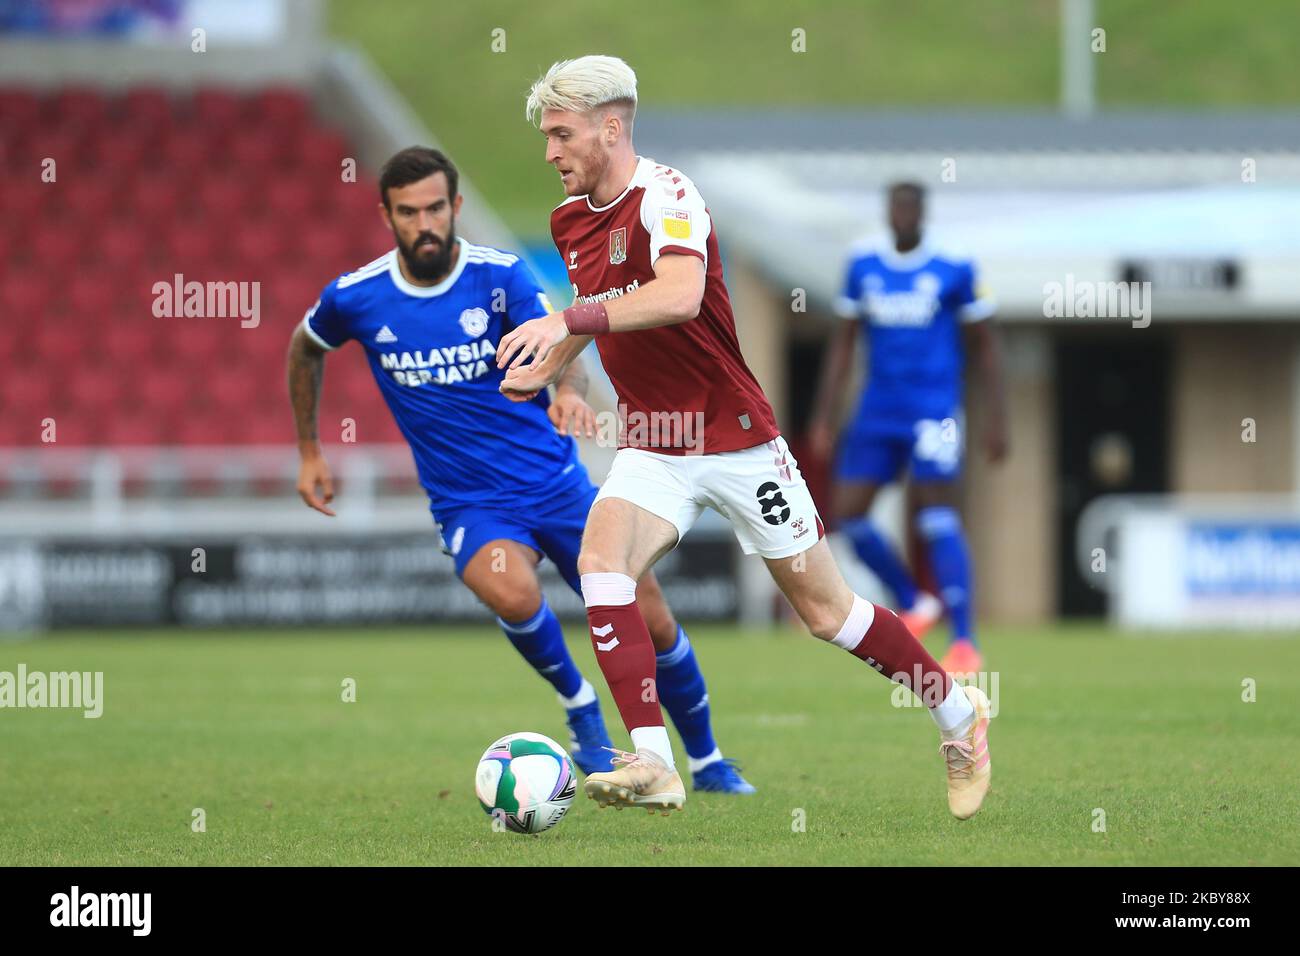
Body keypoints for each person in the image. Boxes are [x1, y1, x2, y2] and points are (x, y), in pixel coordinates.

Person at [498, 56, 993, 820]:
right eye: (547, 138)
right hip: (655, 442)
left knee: (830, 615)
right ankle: (654, 764)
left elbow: (678, 294)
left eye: (561, 135)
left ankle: (957, 715)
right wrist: (552, 365)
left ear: (611, 126)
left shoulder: (668, 195)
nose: (550, 152)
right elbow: (599, 308)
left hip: (735, 439)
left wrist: (565, 322)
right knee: (601, 565)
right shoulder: (569, 221)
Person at [287, 146, 754, 793]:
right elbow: (305, 346)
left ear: (454, 207)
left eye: (434, 209)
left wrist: (567, 391)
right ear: (387, 215)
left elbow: (563, 345)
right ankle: (581, 707)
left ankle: (706, 760)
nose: (424, 225)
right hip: (469, 502)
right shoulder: (357, 297)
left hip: (556, 486)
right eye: (407, 213)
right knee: (511, 591)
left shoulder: (499, 277)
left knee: (651, 616)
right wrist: (310, 449)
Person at [808, 182, 1009, 676]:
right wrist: (824, 414)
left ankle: (964, 640)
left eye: (909, 208)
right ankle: (912, 600)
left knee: (936, 515)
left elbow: (984, 345)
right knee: (848, 516)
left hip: (934, 410)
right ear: (887, 212)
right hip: (878, 408)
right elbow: (844, 343)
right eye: (894, 207)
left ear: (921, 213)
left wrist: (997, 419)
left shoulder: (953, 265)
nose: (901, 215)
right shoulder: (863, 264)